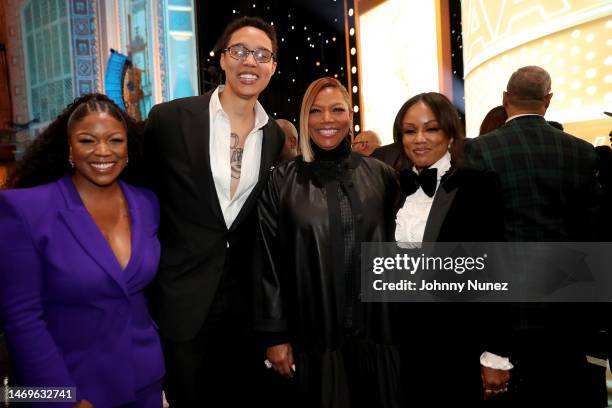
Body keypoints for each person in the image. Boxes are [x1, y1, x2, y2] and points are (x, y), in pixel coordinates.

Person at [143, 16, 284, 406]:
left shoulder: (273, 136)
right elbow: (142, 200)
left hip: (241, 309)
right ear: (222, 59)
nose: (249, 62)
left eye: (261, 55)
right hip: (180, 302)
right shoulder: (170, 120)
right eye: (239, 51)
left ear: (272, 66)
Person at [0, 93, 164, 407]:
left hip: (145, 384)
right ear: (69, 150)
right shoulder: (24, 210)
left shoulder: (147, 203)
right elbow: (22, 320)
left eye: (115, 140)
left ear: (128, 149)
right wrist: (64, 399)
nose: (103, 151)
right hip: (71, 387)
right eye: (87, 140)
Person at [255, 77, 400, 408]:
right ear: (305, 118)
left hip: (377, 332)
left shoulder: (381, 175)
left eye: (337, 110)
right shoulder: (282, 180)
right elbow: (268, 262)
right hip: (314, 336)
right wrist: (276, 336)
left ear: (350, 116)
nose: (327, 120)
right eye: (316, 111)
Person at [465, 66, 602, 406]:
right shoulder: (582, 152)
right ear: (548, 101)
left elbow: (480, 245)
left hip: (507, 316)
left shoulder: (480, 151)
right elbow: (592, 236)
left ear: (505, 99)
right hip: (570, 315)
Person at [391, 92, 506, 406]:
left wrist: (494, 353)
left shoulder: (477, 186)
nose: (419, 139)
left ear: (451, 134)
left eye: (431, 129)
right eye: (410, 131)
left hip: (457, 344)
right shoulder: (395, 188)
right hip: (403, 347)